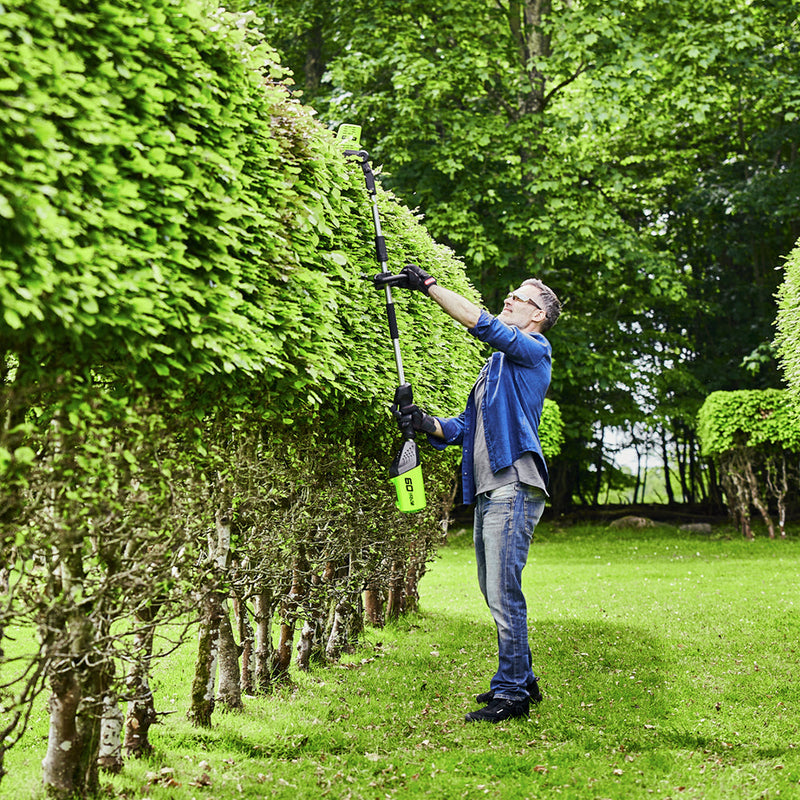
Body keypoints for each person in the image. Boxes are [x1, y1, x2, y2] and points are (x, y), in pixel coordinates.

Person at [390, 262, 561, 724]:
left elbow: (480, 323)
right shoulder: (495, 368)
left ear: (538, 316)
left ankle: (512, 695)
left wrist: (429, 287)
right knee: (493, 589)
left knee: (504, 593)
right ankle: (521, 678)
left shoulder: (533, 351)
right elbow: (465, 428)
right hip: (491, 490)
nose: (509, 299)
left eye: (519, 298)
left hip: (514, 485)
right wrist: (424, 423)